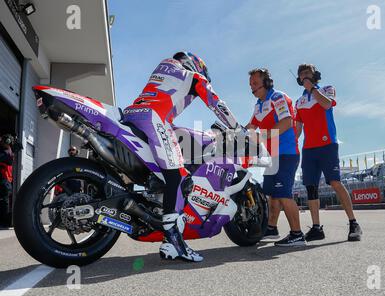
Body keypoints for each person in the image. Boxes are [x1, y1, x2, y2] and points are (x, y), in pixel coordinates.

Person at [122, 52, 241, 262]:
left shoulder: (162, 70)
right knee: (178, 177)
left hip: (132, 115)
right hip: (153, 118)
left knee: (161, 173)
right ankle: (174, 242)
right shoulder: (194, 77)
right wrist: (237, 128)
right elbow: (216, 103)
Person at [294, 64, 362, 241]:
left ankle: (354, 223)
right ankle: (317, 228)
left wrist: (313, 89)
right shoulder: (298, 102)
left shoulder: (326, 89)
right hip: (309, 148)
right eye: (301, 75)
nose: (304, 77)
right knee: (311, 187)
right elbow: (298, 129)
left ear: (315, 75)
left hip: (327, 144)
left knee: (335, 182)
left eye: (307, 74)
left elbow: (326, 104)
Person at [245, 68, 305, 246]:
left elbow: (287, 122)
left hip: (286, 153)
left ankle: (297, 235)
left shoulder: (278, 97)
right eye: (250, 84)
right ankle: (271, 228)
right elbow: (251, 126)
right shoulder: (258, 104)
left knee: (284, 194)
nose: (252, 88)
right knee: (272, 193)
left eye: (255, 83)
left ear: (267, 83)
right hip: (272, 157)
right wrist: (236, 134)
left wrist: (262, 136)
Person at [0, 134, 14, 228]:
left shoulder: (7, 152)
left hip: (5, 181)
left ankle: (4, 222)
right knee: (4, 202)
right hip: (4, 181)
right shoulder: (6, 152)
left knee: (4, 202)